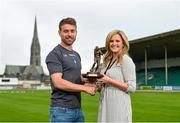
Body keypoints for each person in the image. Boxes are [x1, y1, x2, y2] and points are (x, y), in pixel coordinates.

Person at [46, 17, 96, 122]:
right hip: (61, 111)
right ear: (59, 33)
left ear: (76, 33)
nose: (69, 34)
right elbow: (58, 82)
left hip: (78, 109)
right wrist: (85, 88)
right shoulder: (54, 54)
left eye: (72, 31)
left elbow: (76, 77)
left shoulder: (76, 55)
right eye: (66, 31)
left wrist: (87, 80)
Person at [97, 29, 136, 122]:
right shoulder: (107, 61)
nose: (114, 43)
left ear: (123, 43)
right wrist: (96, 86)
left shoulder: (126, 60)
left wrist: (109, 80)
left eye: (117, 41)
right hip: (106, 102)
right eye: (111, 41)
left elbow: (132, 87)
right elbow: (104, 85)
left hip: (119, 105)